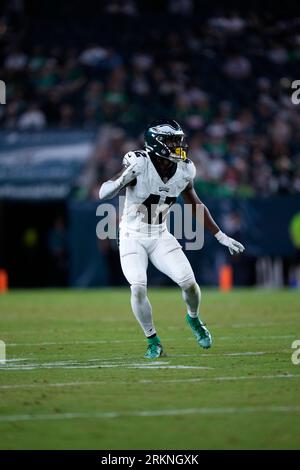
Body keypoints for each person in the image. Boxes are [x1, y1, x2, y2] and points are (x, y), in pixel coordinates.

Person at [99, 120, 245, 358]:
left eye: (178, 140)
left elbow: (195, 204)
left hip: (159, 235)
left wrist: (220, 235)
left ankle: (194, 319)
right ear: (156, 143)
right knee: (137, 287)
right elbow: (106, 188)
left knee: (189, 283)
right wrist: (115, 184)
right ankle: (152, 340)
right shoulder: (139, 163)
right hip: (132, 236)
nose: (178, 145)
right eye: (172, 141)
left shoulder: (185, 169)